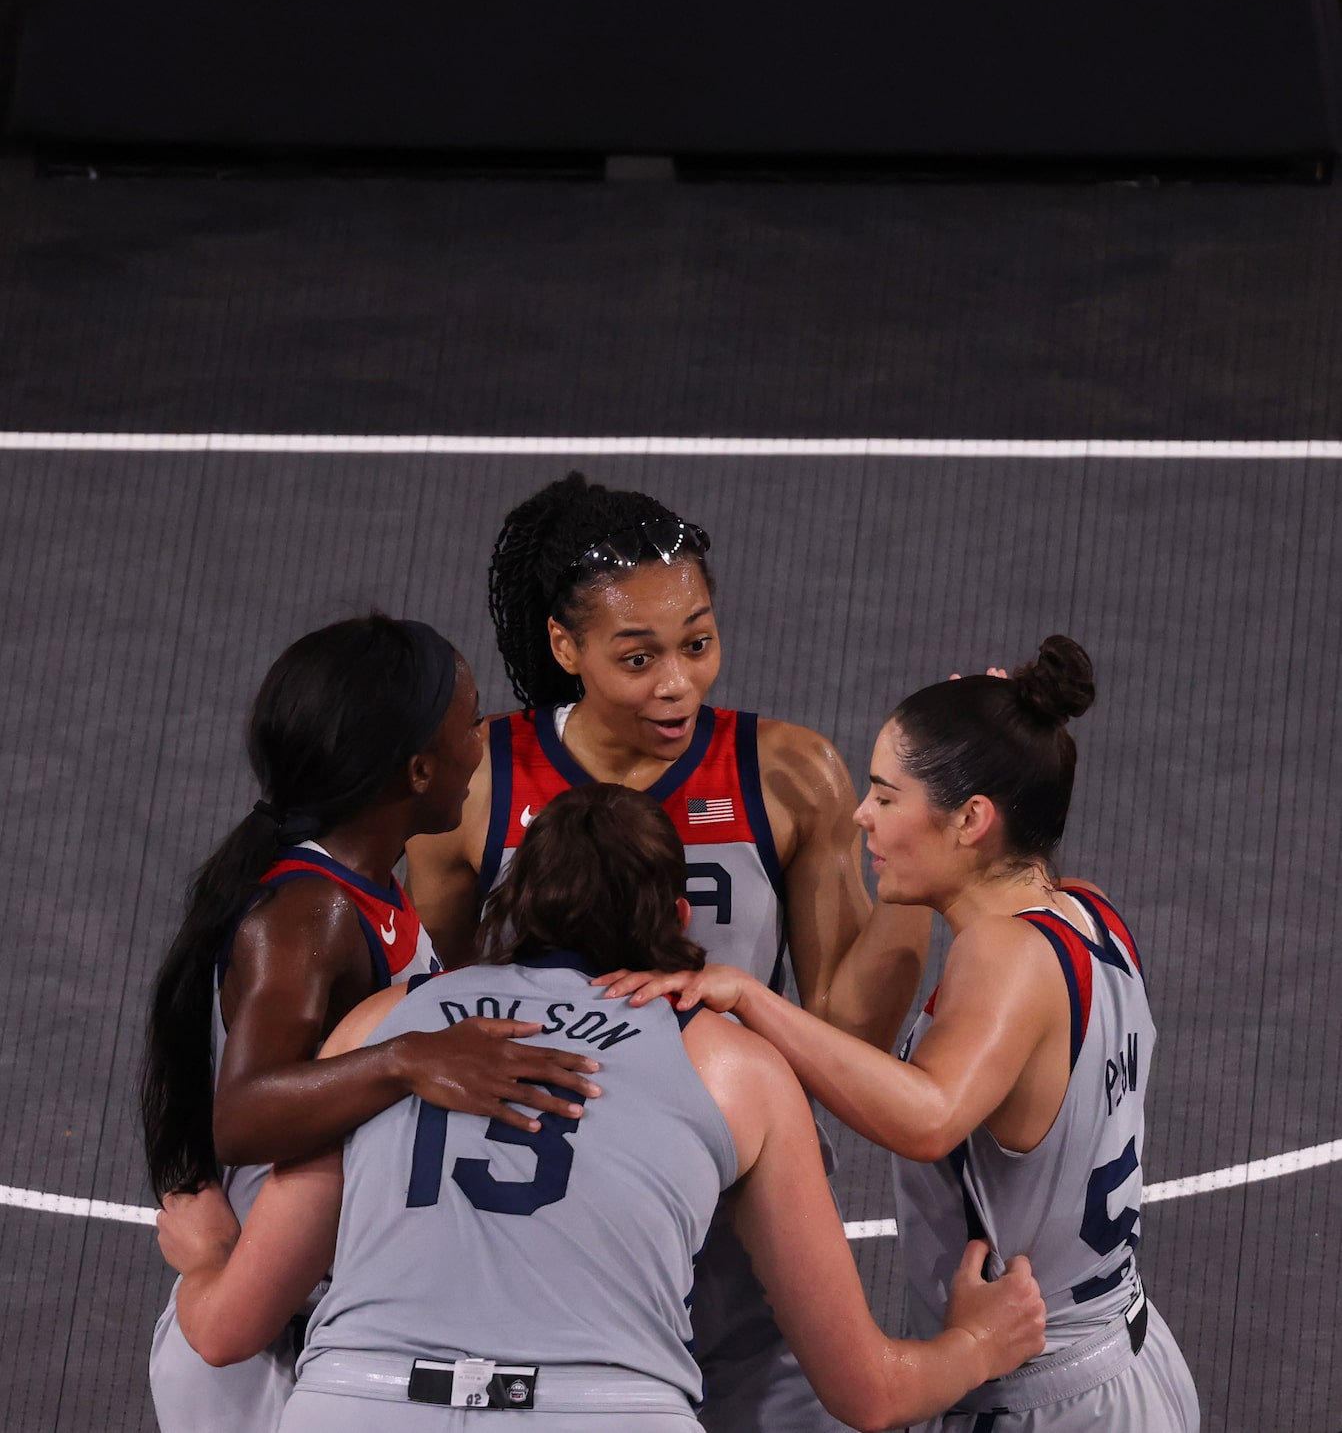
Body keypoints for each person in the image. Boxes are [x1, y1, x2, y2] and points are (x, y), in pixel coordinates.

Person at [156, 784, 1046, 1433]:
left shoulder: (384, 1026)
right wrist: (981, 1344)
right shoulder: (734, 1067)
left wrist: (205, 1257)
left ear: (513, 906)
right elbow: (868, 1392)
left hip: (364, 1405)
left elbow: (230, 1328)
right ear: (673, 913)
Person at [405, 472, 932, 1430]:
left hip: (745, 1212)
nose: (678, 682)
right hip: (563, 1221)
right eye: (637, 657)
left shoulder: (788, 773)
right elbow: (438, 1003)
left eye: (697, 643)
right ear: (565, 647)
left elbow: (847, 1032)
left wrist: (922, 881)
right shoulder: (477, 784)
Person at [598, 638, 1201, 1432]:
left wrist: (748, 998)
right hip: (1125, 1360)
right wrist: (1001, 737)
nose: (861, 815)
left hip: (1044, 1399)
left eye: (887, 795)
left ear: (972, 820)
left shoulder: (1004, 953)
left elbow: (928, 1115)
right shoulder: (1084, 912)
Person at [142, 615, 602, 1433]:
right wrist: (405, 1060)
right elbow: (246, 1116)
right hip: (265, 1350)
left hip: (311, 1324)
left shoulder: (363, 892)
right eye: (471, 724)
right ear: (420, 770)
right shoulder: (311, 913)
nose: (485, 737)